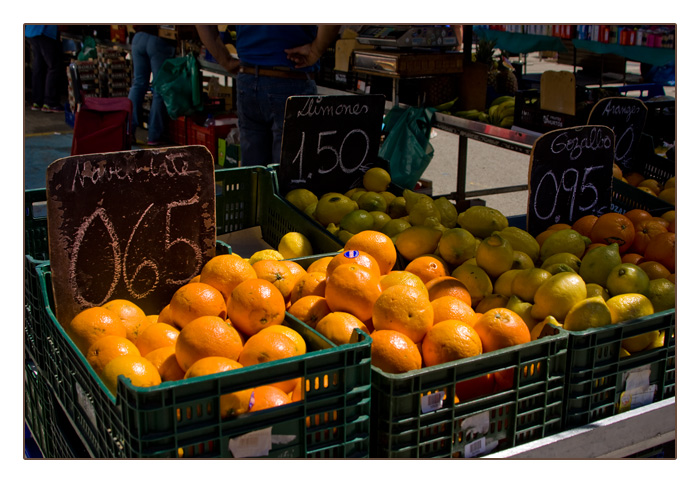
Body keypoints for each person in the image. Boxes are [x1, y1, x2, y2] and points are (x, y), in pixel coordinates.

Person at [196, 25, 340, 166]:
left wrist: (225, 60)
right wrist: (315, 51)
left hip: (248, 78)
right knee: (287, 175)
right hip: (291, 77)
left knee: (253, 174)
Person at [128, 25, 177, 146]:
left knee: (138, 84)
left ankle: (128, 131)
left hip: (138, 38)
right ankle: (154, 136)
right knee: (159, 88)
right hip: (157, 39)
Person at [25, 25, 64, 113]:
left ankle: (37, 102)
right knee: (53, 67)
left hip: (31, 32)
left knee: (39, 67)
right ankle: (50, 103)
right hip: (44, 32)